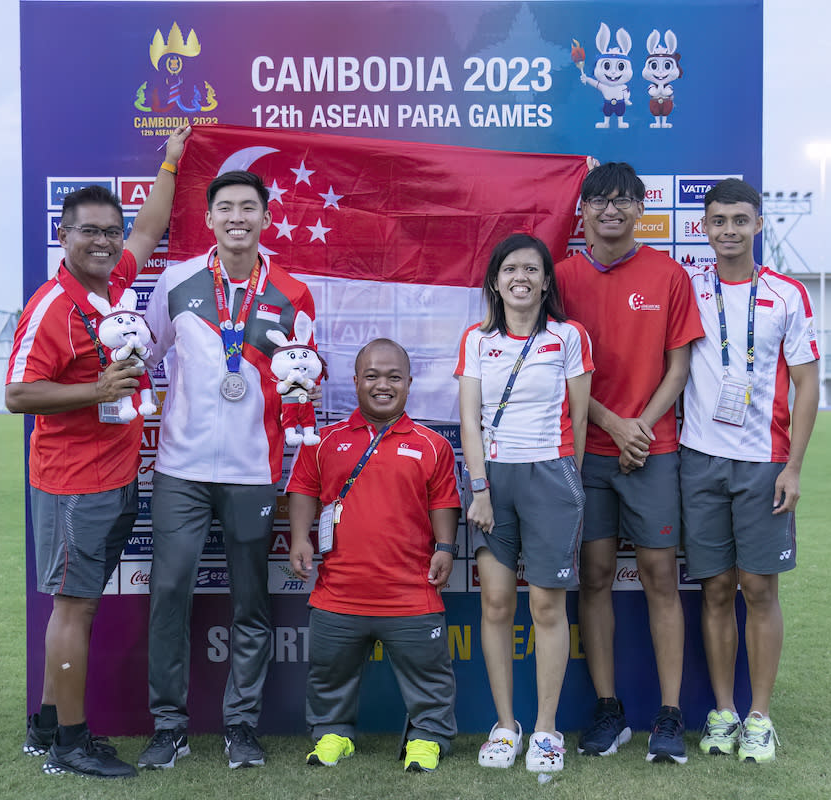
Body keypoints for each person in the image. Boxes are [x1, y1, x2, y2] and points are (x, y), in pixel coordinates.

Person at [5, 125, 190, 779]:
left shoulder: (113, 284)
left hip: (111, 478)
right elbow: (18, 394)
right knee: (74, 606)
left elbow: (149, 230)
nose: (107, 241)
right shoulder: (53, 306)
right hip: (69, 483)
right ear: (64, 235)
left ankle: (49, 726)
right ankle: (71, 744)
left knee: (78, 602)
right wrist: (96, 389)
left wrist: (169, 163)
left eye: (110, 231)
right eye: (91, 231)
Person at [138, 169, 316, 770]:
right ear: (209, 218)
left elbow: (303, 383)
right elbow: (143, 355)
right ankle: (169, 725)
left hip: (253, 470)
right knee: (168, 592)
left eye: (249, 207)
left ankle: (241, 726)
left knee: (251, 603)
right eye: (225, 208)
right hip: (179, 469)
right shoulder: (177, 279)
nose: (237, 217)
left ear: (266, 218)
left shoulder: (293, 292)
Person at [554, 161, 704, 764]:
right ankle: (609, 709)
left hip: (653, 451)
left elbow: (679, 367)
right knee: (592, 578)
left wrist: (639, 426)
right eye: (599, 200)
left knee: (660, 578)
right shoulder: (559, 278)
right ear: (582, 210)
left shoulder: (669, 274)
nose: (610, 210)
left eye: (623, 201)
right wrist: (613, 424)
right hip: (587, 450)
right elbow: (555, 369)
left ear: (641, 209)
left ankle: (668, 715)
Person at [680, 178, 819, 763]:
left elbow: (808, 383)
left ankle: (760, 716)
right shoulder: (687, 287)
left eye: (741, 219)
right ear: (704, 228)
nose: (730, 230)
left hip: (765, 462)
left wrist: (794, 467)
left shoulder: (787, 294)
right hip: (699, 458)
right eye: (719, 221)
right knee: (714, 589)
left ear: (759, 225)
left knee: (758, 589)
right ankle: (723, 712)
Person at [287, 339, 461, 774]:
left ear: (408, 383)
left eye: (393, 377)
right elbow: (304, 490)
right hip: (338, 594)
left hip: (411, 594)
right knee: (328, 677)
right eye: (372, 376)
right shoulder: (323, 440)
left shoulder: (433, 445)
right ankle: (333, 734)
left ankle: (428, 739)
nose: (382, 385)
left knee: (431, 680)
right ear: (356, 381)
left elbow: (444, 500)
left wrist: (445, 547)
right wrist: (299, 538)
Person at [455, 233, 593, 773]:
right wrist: (480, 487)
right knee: (495, 604)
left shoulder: (568, 336)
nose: (521, 277)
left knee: (546, 607)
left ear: (545, 281)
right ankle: (506, 726)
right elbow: (469, 418)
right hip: (494, 483)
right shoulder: (476, 339)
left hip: (551, 478)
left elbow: (580, 419)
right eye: (510, 268)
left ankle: (545, 730)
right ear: (495, 280)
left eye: (532, 269)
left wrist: (567, 485)